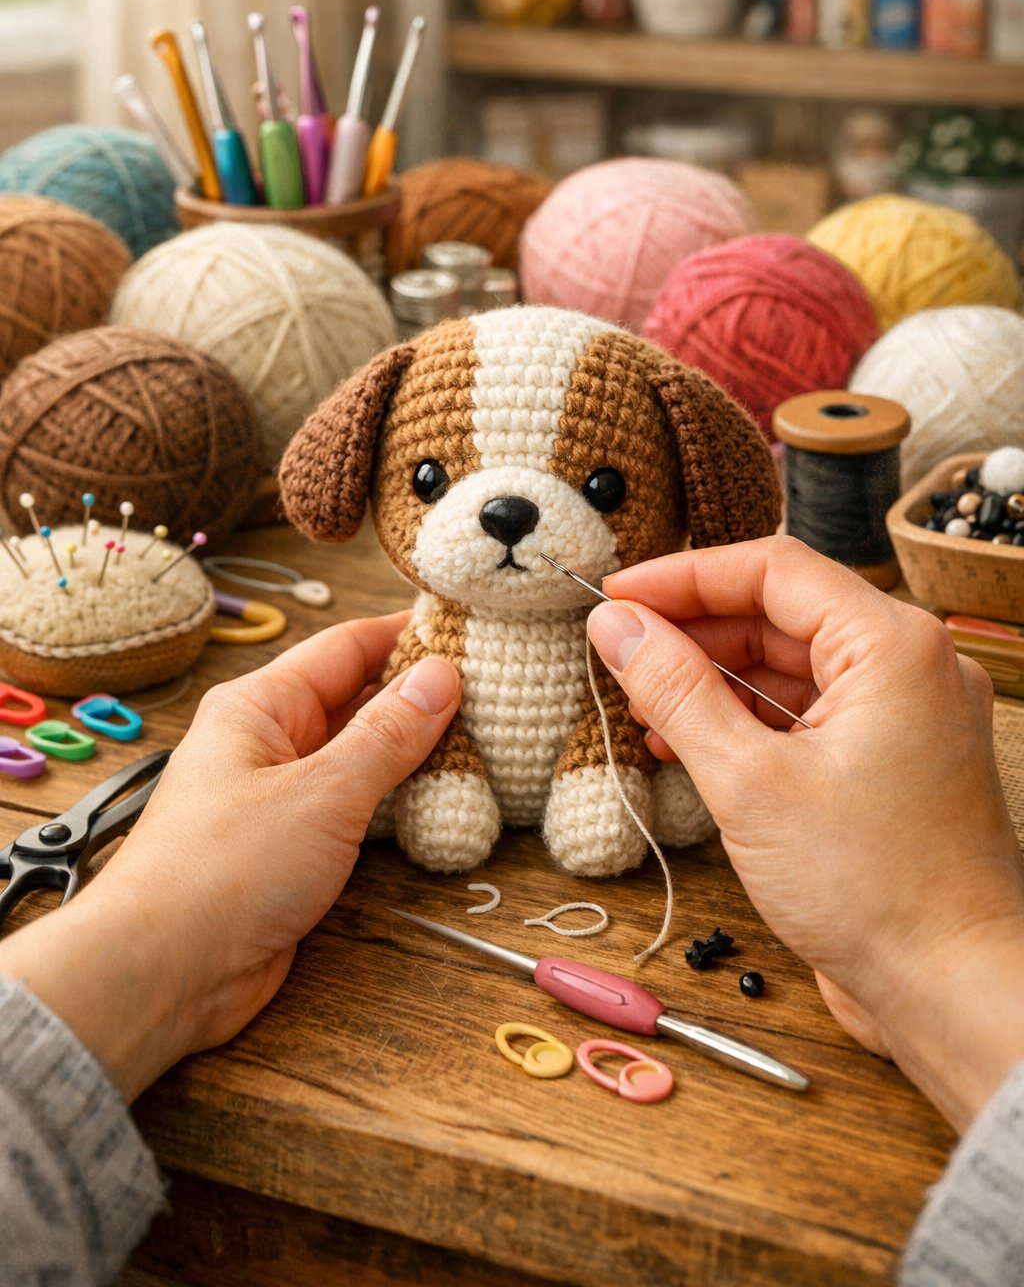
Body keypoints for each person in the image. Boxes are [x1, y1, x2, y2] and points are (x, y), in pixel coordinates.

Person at [0, 537, 1022, 1285]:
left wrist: (156, 948)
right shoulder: (431, 632)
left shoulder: (608, 637)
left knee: (610, 785)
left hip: (594, 757)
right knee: (445, 788)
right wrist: (937, 955)